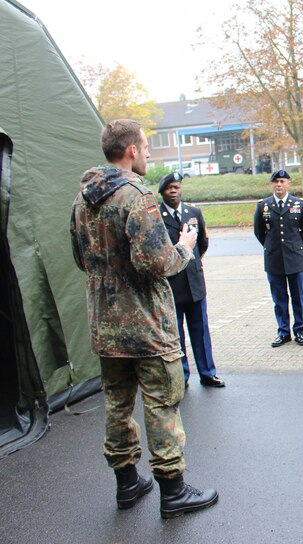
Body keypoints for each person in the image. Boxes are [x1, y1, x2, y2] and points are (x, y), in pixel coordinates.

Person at [69, 119, 217, 518]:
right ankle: (173, 490)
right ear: (131, 149)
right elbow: (158, 262)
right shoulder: (136, 195)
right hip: (147, 326)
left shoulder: (82, 199)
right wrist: (184, 246)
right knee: (162, 402)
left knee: (117, 403)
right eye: (147, 147)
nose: (149, 154)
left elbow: (82, 259)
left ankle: (127, 484)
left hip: (106, 325)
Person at [158, 171, 225, 388]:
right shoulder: (156, 217)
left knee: (201, 330)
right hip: (173, 285)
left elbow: (202, 243)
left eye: (177, 187)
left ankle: (208, 373)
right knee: (176, 334)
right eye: (169, 188)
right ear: (162, 192)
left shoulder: (193, 212)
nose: (174, 191)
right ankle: (182, 376)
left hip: (194, 283)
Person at [254, 169, 303, 347]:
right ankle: (283, 332)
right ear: (271, 184)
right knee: (279, 299)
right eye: (276, 182)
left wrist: (295, 246)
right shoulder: (263, 205)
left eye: (283, 181)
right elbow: (259, 232)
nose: (279, 184)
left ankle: (300, 330)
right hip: (274, 260)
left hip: (294, 259)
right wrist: (271, 247)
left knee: (298, 297)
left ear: (289, 184)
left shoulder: (299, 204)